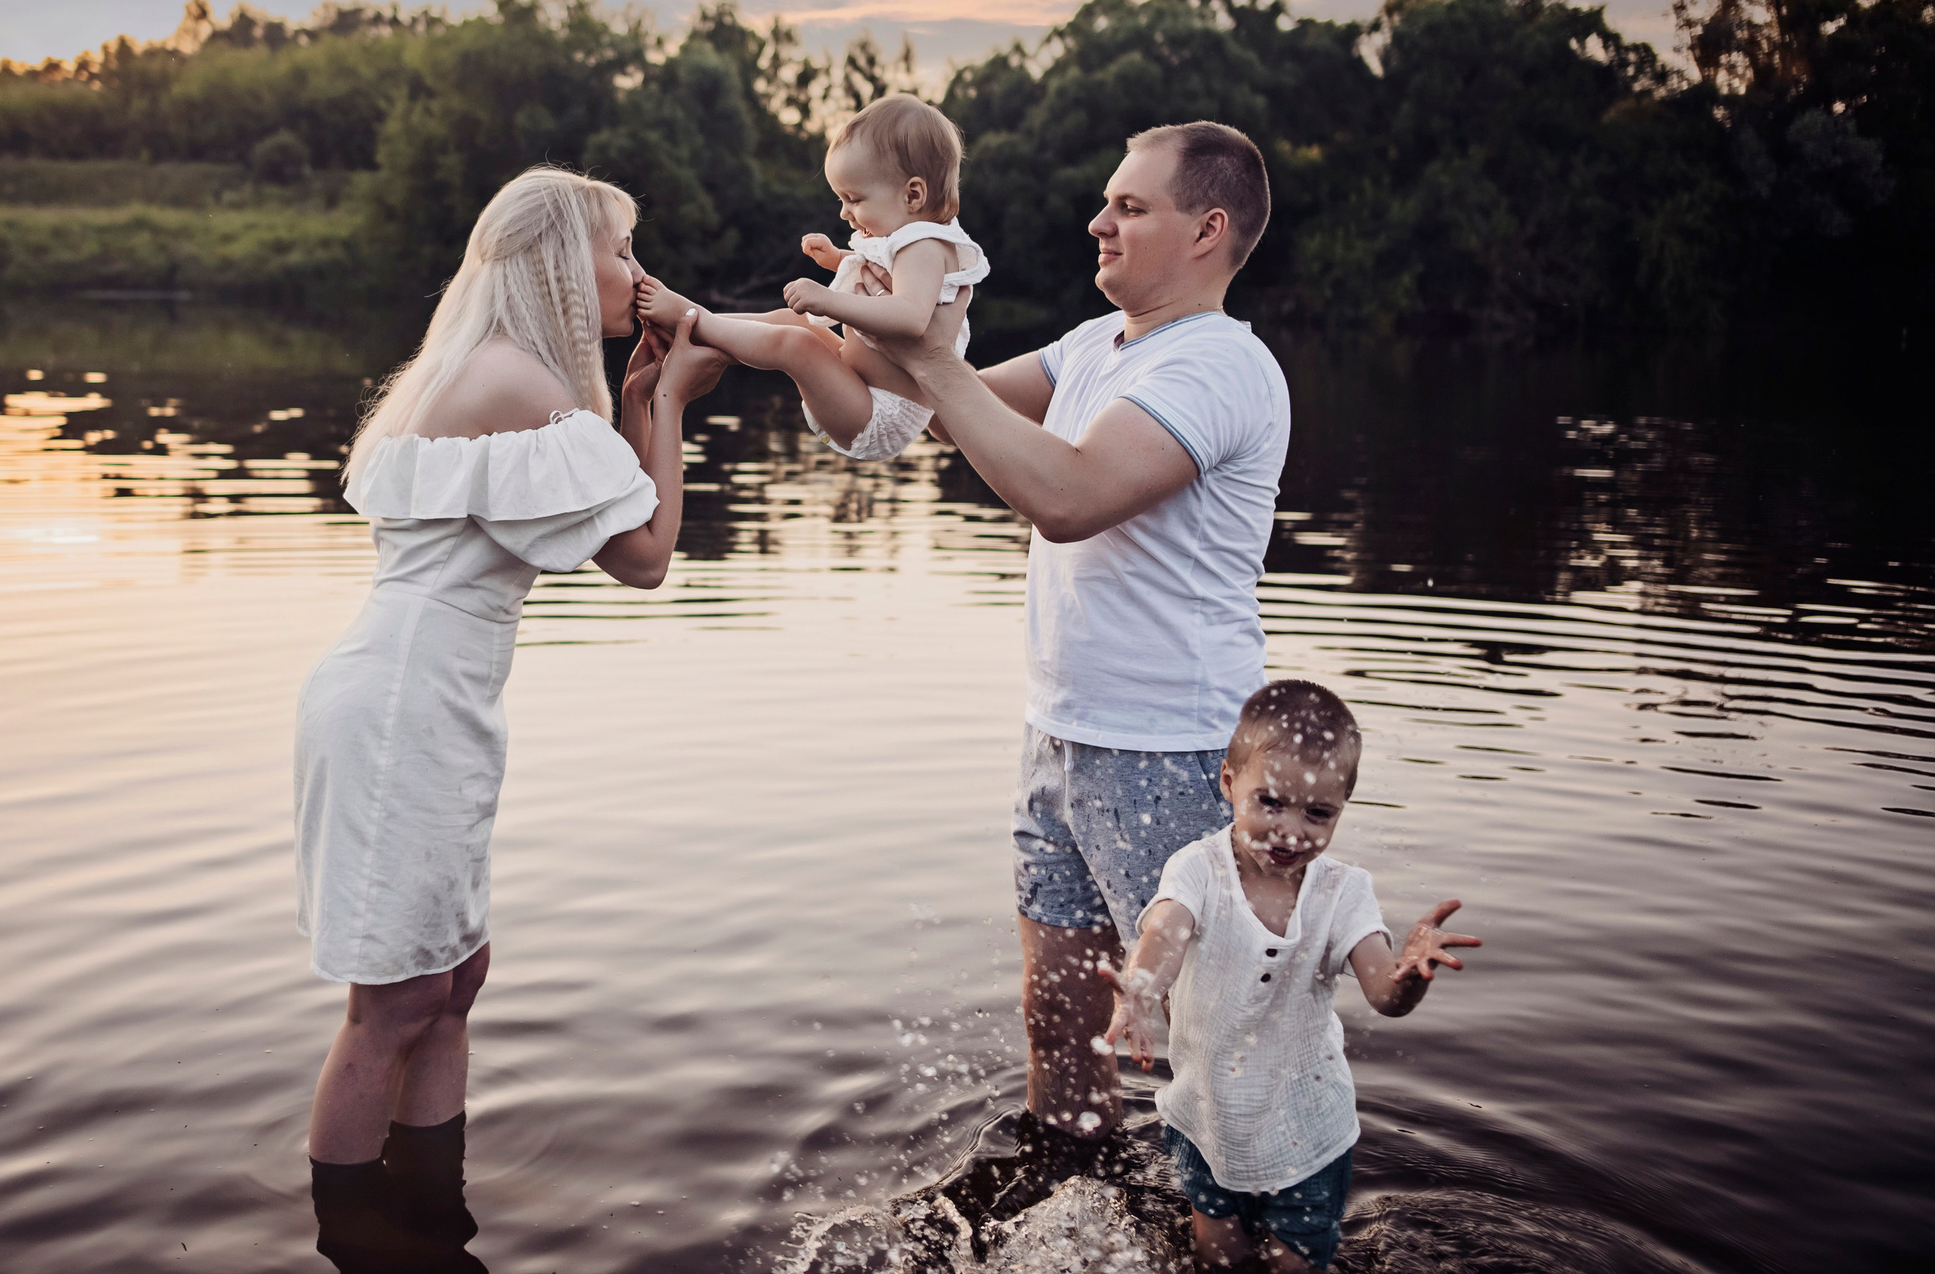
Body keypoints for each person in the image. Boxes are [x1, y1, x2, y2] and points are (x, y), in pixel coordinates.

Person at [292, 165, 726, 1269]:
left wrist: (634, 404)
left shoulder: (506, 372)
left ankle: (431, 1212)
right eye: (620, 247)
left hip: (428, 696)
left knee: (453, 978)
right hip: (401, 704)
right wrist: (668, 400)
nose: (636, 271)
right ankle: (352, 1240)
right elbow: (645, 556)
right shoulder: (513, 375)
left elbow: (613, 511)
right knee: (391, 1000)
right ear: (555, 261)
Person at [878, 122, 1294, 1252]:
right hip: (1059, 738)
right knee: (1058, 1029)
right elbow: (916, 399)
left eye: (1129, 206)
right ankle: (1073, 1212)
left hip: (1171, 754)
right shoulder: (1094, 344)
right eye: (1105, 203)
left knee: (1204, 1060)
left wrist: (926, 355)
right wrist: (798, 318)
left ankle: (1234, 1238)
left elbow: (1061, 492)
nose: (1097, 221)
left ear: (1206, 230)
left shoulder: (1213, 362)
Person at [1102, 680, 1481, 1271]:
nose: (1290, 830)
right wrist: (1141, 986)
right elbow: (1166, 933)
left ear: (1342, 808)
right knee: (1217, 1258)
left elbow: (1384, 993)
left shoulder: (1344, 892)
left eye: (1317, 813)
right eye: (1270, 803)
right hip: (1207, 1118)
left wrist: (1411, 975)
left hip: (1308, 1129)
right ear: (1230, 784)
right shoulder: (1199, 869)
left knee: (1295, 1266)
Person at [634, 94, 987, 462]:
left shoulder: (925, 246)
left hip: (879, 414)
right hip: (859, 385)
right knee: (791, 321)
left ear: (912, 194)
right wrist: (839, 260)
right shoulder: (911, 241)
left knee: (794, 344)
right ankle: (699, 329)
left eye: (854, 199)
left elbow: (910, 317)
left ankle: (691, 320)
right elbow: (890, 280)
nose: (845, 213)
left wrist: (828, 299)